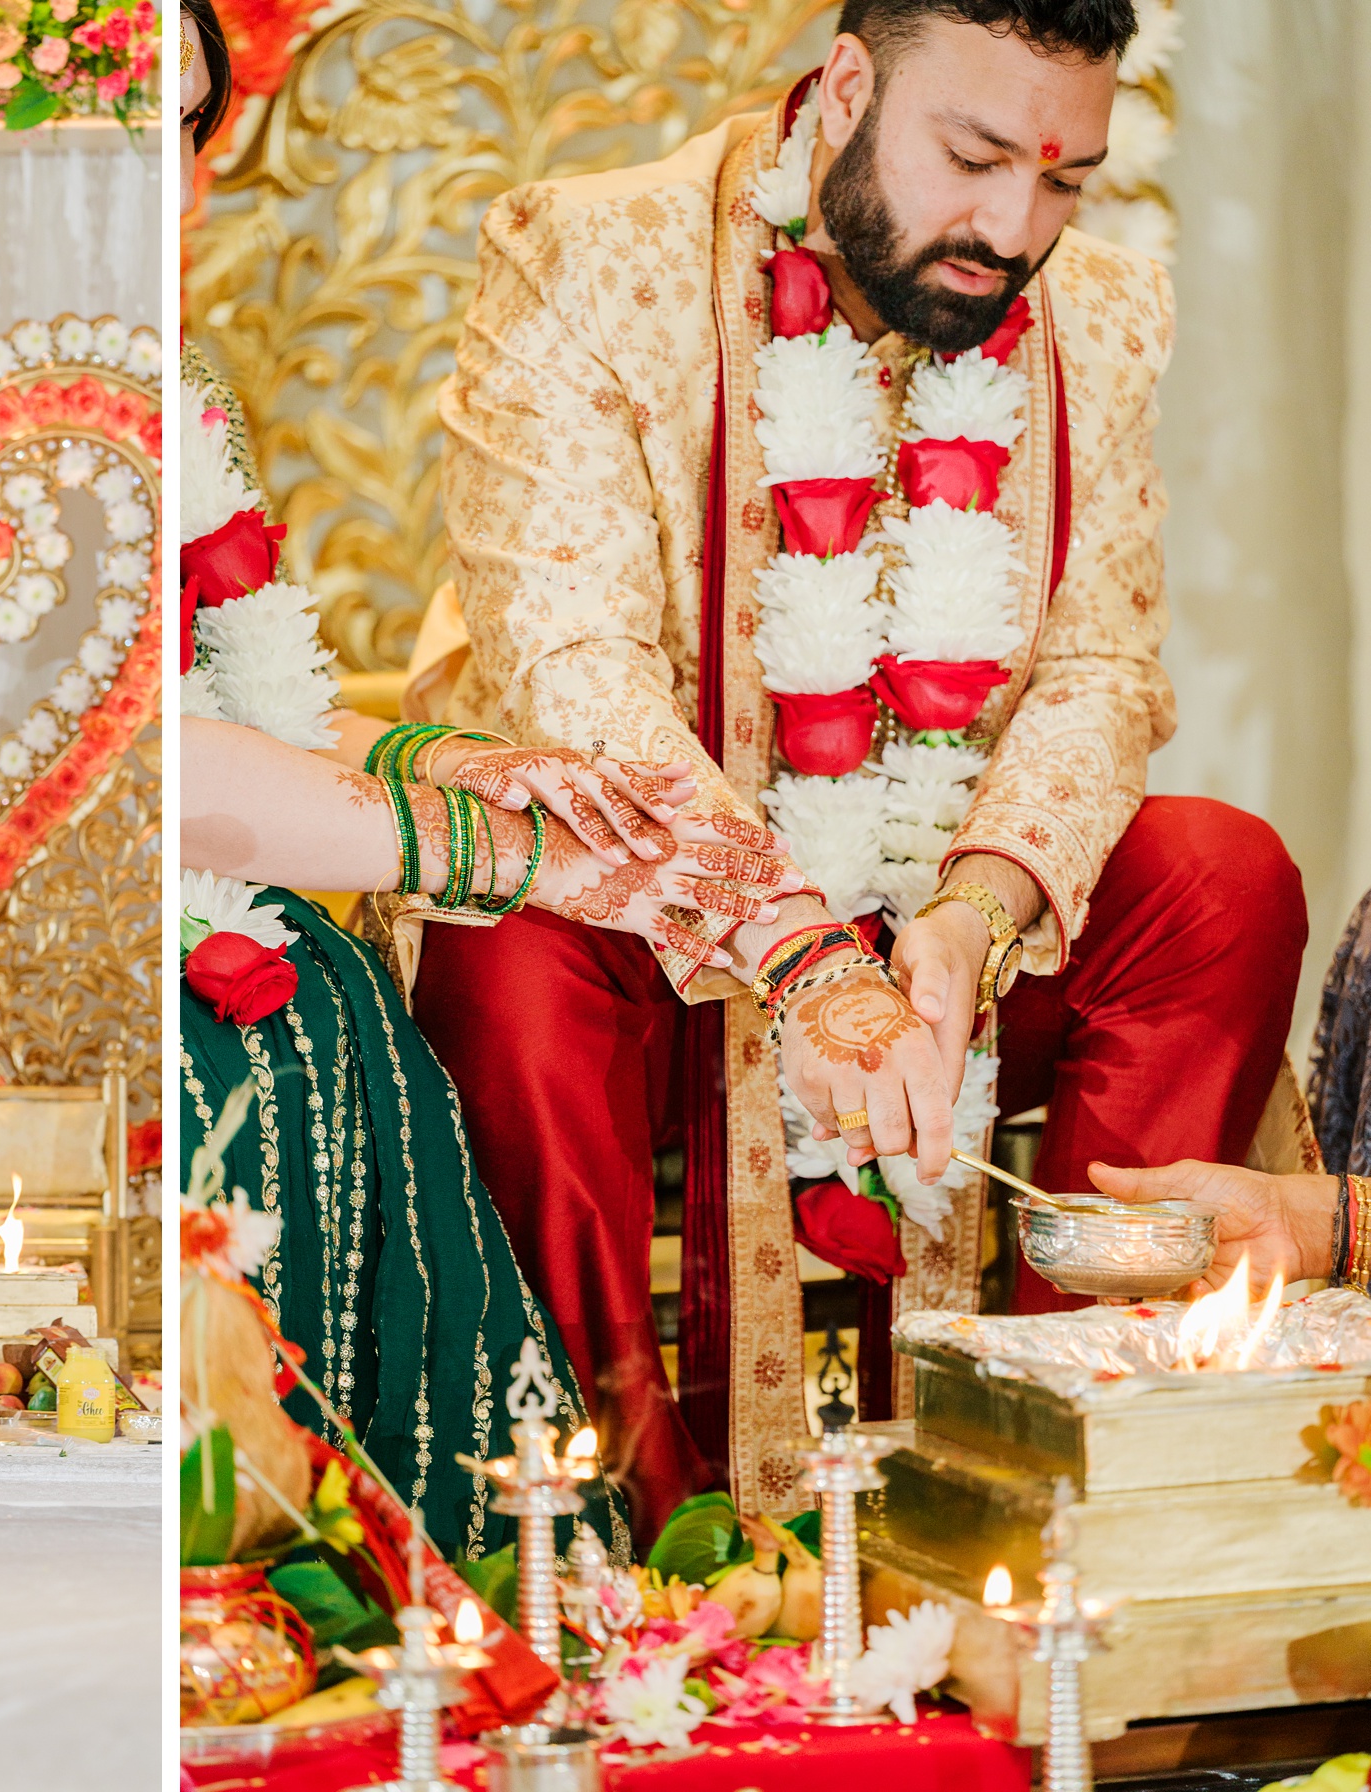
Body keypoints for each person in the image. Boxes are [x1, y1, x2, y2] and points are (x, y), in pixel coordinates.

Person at [407, 0, 1308, 1525]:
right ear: (841, 87)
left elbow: (1100, 670)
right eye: (971, 157)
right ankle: (606, 1515)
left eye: (1065, 179)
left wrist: (972, 914)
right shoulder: (582, 256)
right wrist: (811, 958)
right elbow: (576, 671)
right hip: (659, 939)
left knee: (1220, 878)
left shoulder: (1106, 311)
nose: (1014, 226)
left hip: (950, 941)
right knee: (507, 932)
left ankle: (1071, 1435)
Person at [177, 0, 795, 1558]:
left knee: (331, 1005)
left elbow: (234, 716)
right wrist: (500, 848)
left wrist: (437, 761)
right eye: (137, 136)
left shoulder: (173, 391)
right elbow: (126, 761)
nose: (181, 193)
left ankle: (503, 1584)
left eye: (193, 133)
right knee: (363, 1009)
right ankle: (358, 1578)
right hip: (158, 945)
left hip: (260, 914)